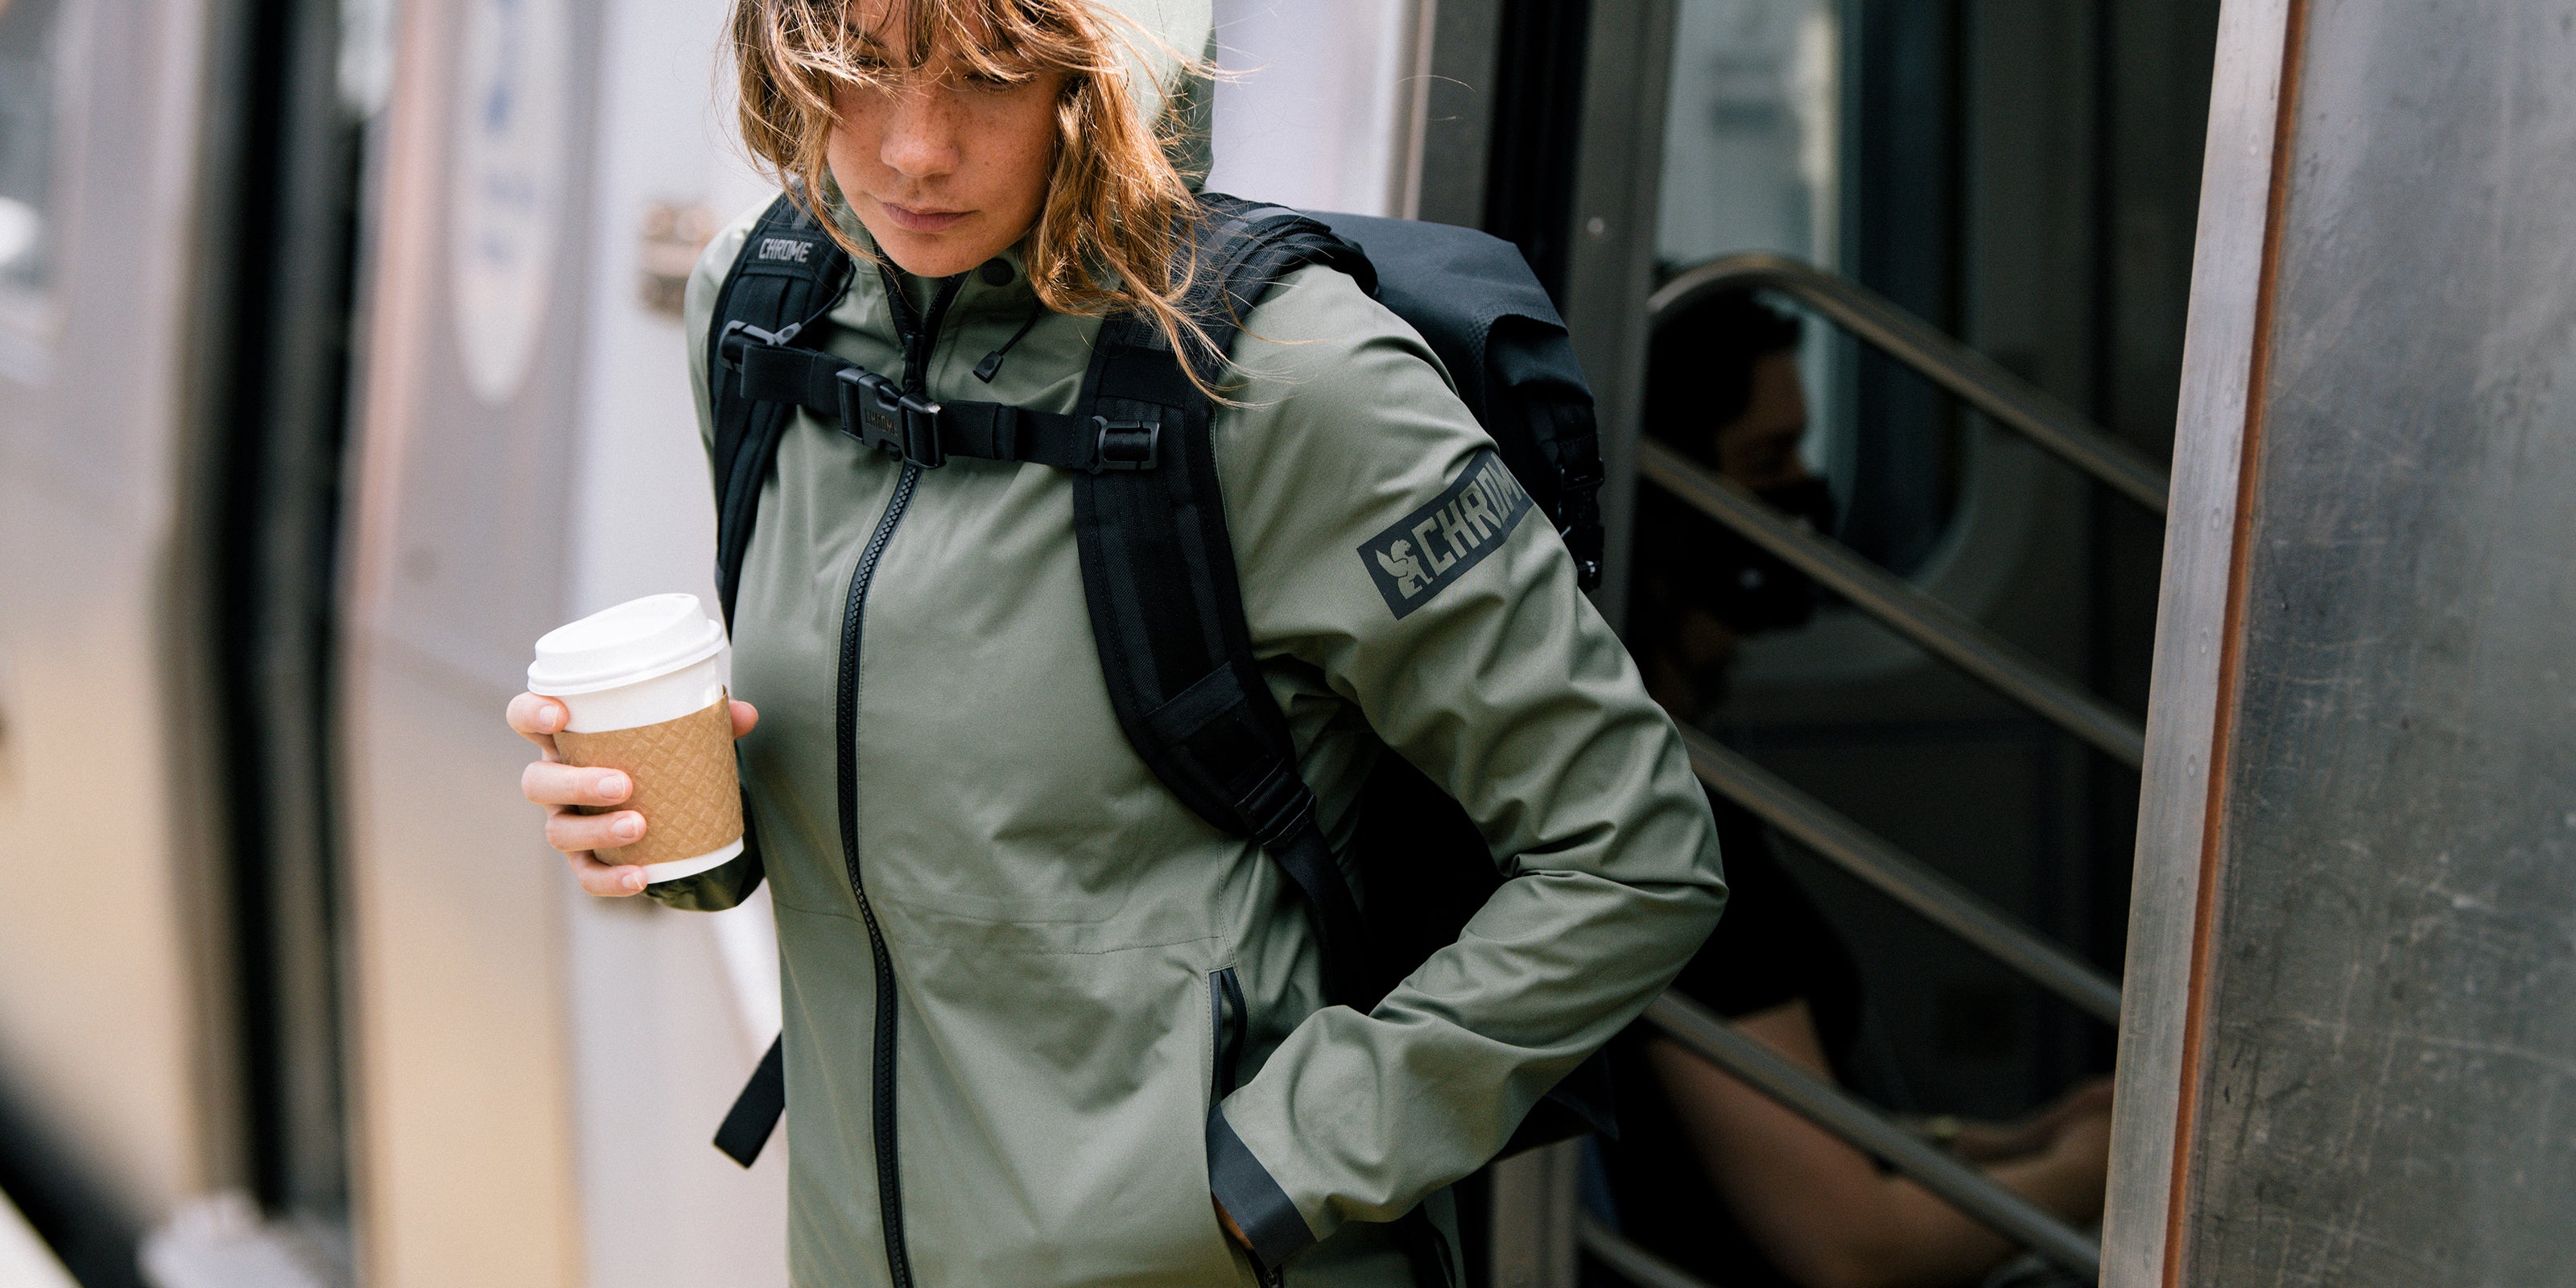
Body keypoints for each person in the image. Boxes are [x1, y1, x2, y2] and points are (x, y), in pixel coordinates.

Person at [506, 2, 1727, 1285]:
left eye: (991, 75)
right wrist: (680, 831)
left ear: (1115, 74)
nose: (913, 150)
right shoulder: (763, 316)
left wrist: (1261, 1176)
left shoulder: (1294, 378)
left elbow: (1632, 855)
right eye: (859, 65)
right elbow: (942, 804)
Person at [1603, 290, 2112, 1288]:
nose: (1804, 495)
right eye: (1764, 466)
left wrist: (2006, 1144)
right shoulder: (1656, 819)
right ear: (1661, 506)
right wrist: (2088, 1170)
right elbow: (1854, 1250)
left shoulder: (1657, 773)